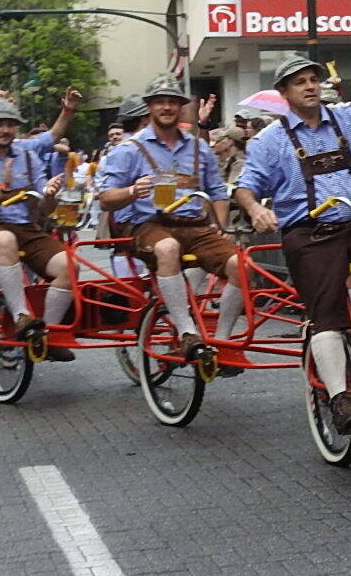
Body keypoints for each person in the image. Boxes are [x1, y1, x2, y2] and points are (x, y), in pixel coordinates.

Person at [234, 59, 351, 426]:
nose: (310, 87)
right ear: (284, 94)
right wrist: (256, 211)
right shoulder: (270, 140)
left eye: (313, 80)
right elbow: (245, 187)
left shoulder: (348, 119)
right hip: (308, 236)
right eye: (299, 83)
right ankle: (340, 399)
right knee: (327, 311)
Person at [98, 77, 243, 370]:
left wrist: (221, 225)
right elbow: (105, 198)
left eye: (173, 102)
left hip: (195, 225)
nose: (167, 107)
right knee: (167, 248)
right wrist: (130, 191)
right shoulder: (129, 149)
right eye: (160, 101)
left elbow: (217, 192)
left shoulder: (198, 148)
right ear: (149, 107)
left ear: (181, 108)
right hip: (149, 225)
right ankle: (187, 331)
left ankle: (223, 344)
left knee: (242, 265)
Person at [0, 99, 77, 343]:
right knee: (5, 239)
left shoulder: (28, 156)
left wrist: (51, 194)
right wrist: (1, 189)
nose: (5, 130)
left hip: (27, 228)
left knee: (69, 266)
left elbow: (45, 206)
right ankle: (21, 315)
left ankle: (46, 334)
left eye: (10, 125)